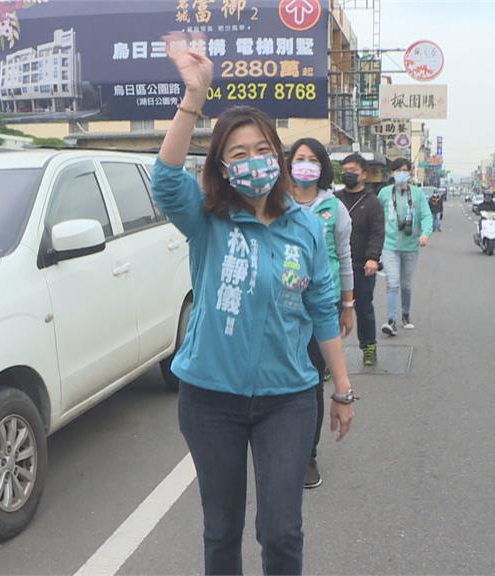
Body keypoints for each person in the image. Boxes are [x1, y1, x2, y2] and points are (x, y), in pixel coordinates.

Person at [151, 33, 356, 575]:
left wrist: (342, 388)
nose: (254, 162)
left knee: (282, 531)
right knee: (221, 531)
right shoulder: (206, 221)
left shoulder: (306, 227)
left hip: (288, 399)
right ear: (221, 167)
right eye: (238, 154)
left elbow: (322, 308)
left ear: (280, 157)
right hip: (209, 399)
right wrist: (194, 96)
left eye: (263, 150)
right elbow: (166, 178)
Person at [288, 137, 355, 491]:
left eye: (312, 159)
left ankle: (307, 455)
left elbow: (344, 258)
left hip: (320, 306)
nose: (305, 165)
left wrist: (348, 304)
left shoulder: (334, 209)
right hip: (282, 306)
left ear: (322, 167)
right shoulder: (275, 203)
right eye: (299, 158)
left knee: (313, 381)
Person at [336, 153, 385, 367]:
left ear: (363, 175)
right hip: (335, 266)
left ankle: (369, 347)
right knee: (332, 311)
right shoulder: (334, 200)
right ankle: (329, 358)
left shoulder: (372, 202)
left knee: (364, 308)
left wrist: (373, 258)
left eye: (353, 172)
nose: (348, 175)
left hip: (361, 266)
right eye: (345, 171)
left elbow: (377, 233)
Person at [378, 158, 434, 336]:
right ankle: (391, 321)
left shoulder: (417, 194)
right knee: (392, 282)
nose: (401, 174)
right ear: (392, 173)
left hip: (411, 246)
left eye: (404, 170)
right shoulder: (385, 193)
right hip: (389, 245)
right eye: (397, 170)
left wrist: (425, 233)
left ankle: (406, 314)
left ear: (410, 173)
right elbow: (377, 216)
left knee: (406, 284)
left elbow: (426, 216)